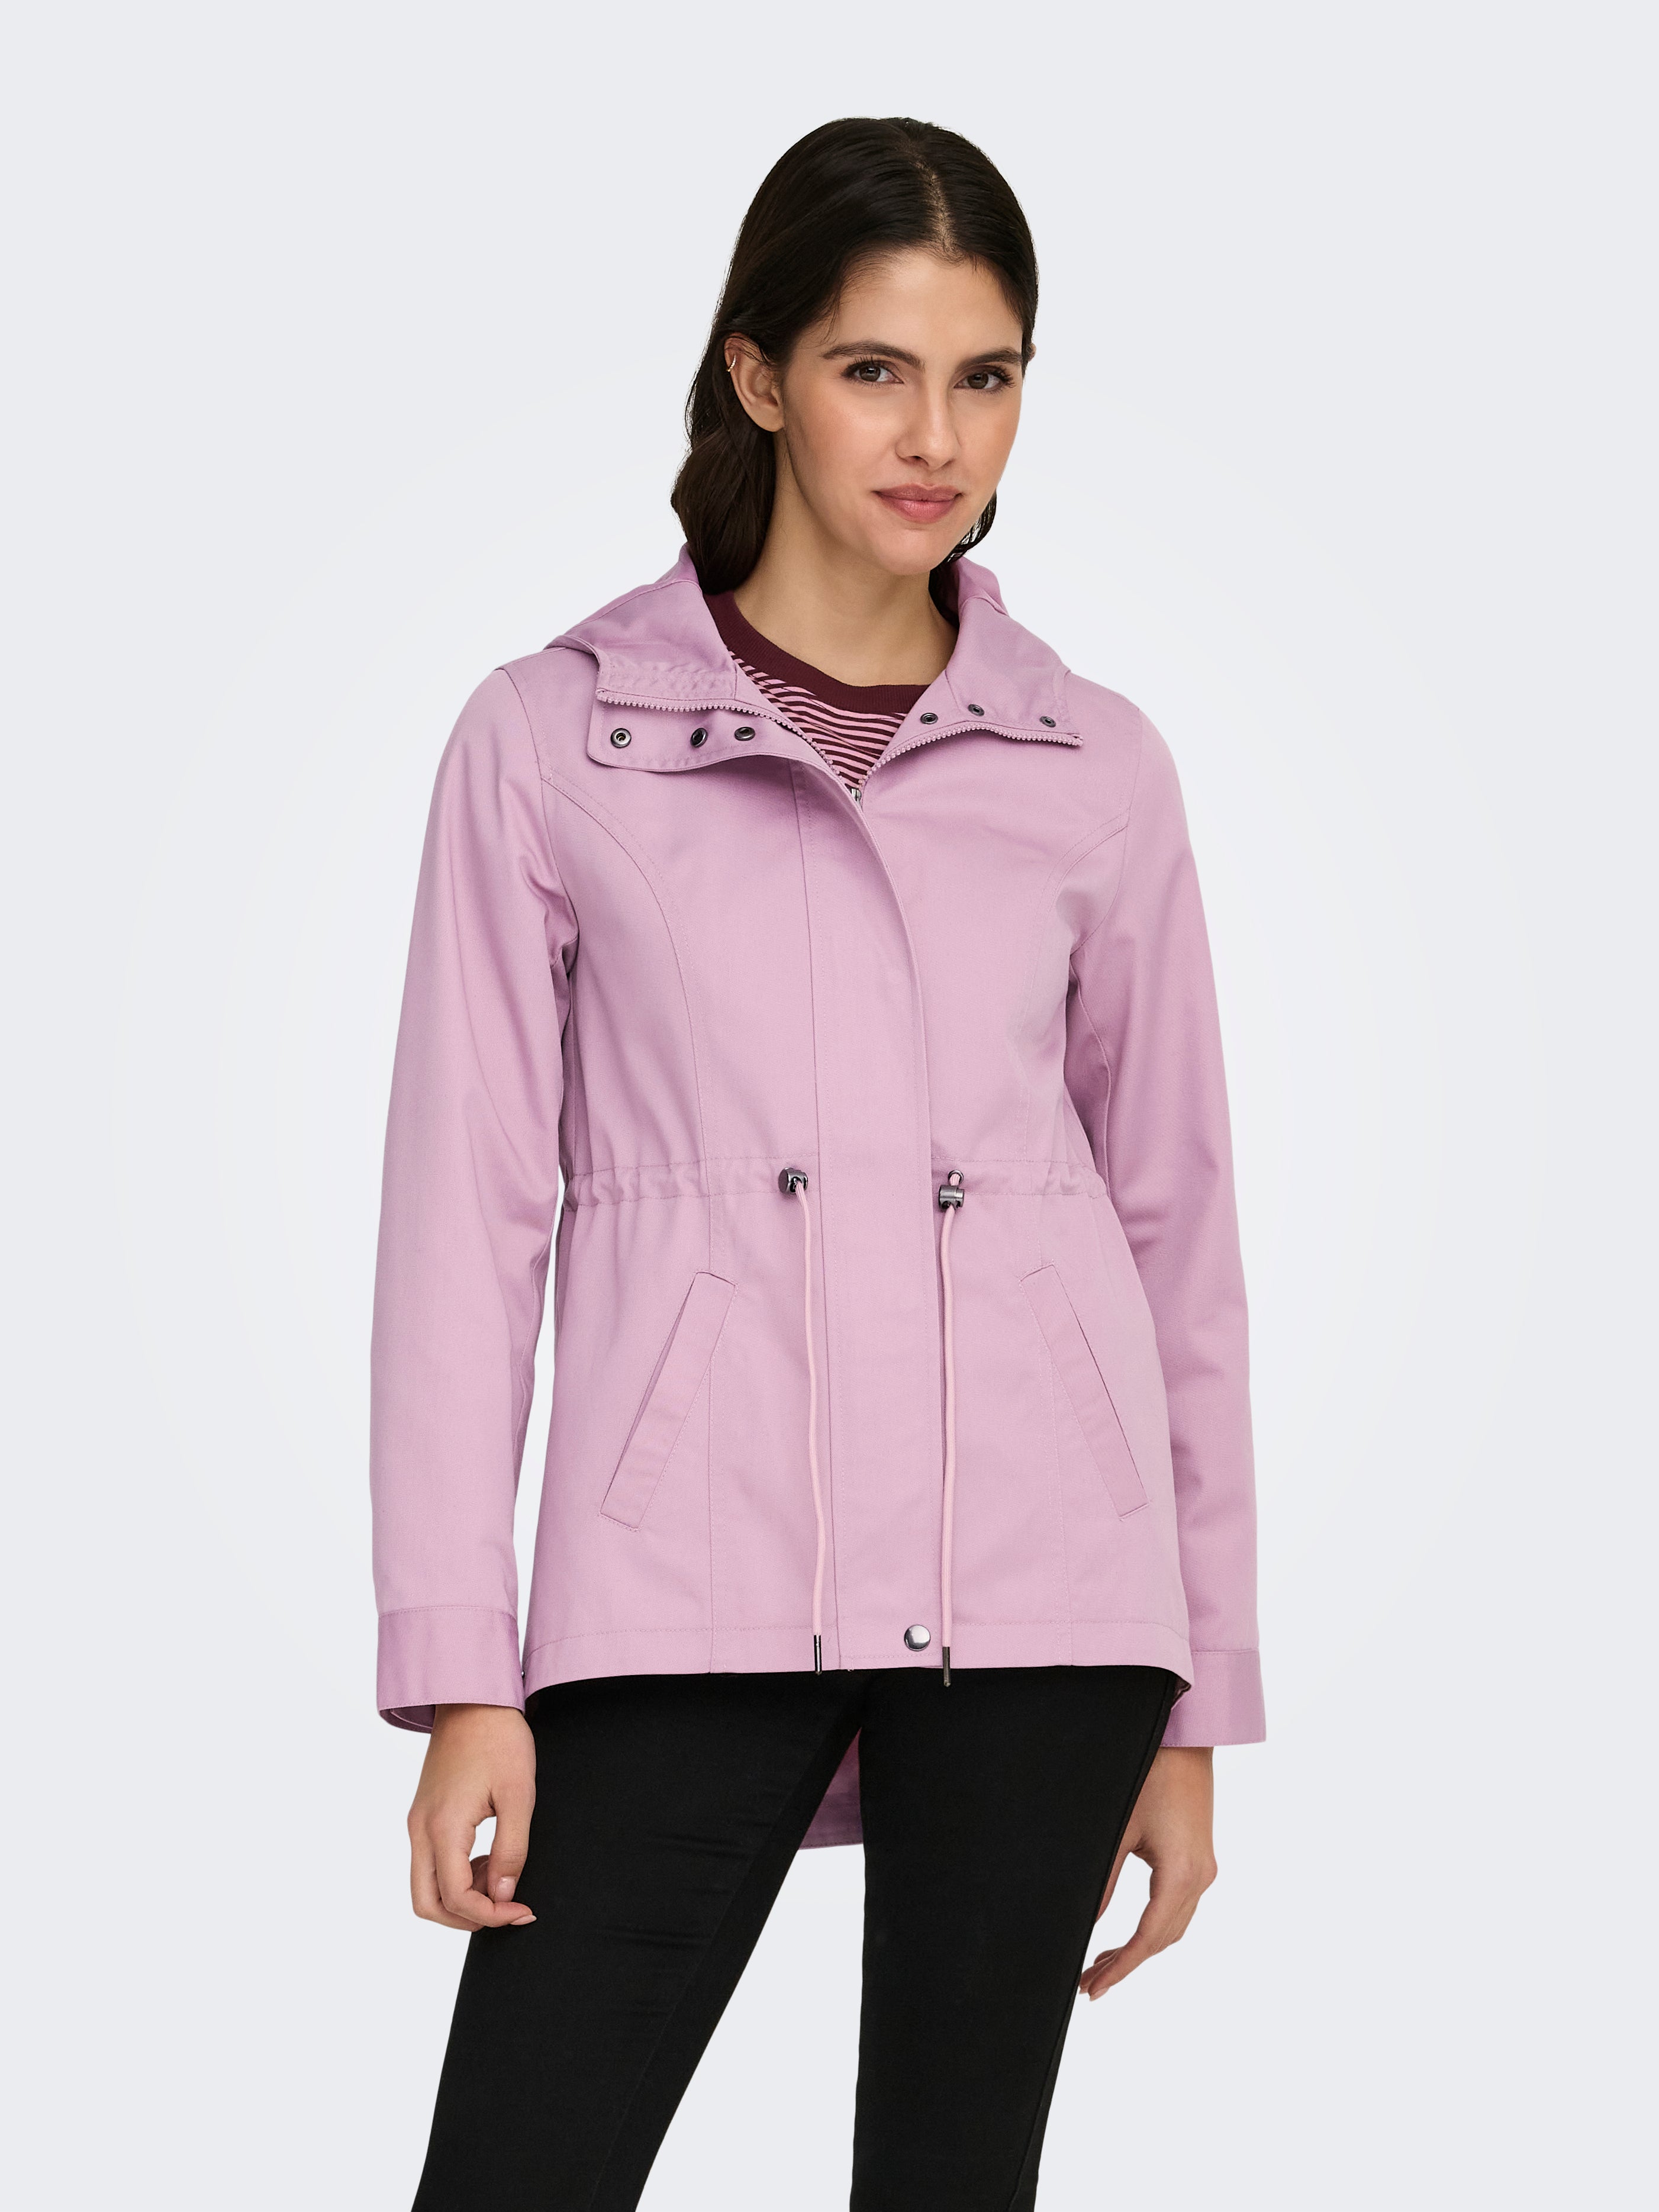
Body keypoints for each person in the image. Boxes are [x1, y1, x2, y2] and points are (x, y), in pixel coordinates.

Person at [371, 114, 1264, 2211]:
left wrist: (1197, 1694)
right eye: (876, 368)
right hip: (679, 1574)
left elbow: (1178, 1230)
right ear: (759, 373)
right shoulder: (551, 739)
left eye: (985, 374)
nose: (936, 435)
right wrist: (461, 1665)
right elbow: (459, 1220)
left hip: (1045, 1598)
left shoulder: (1097, 765)